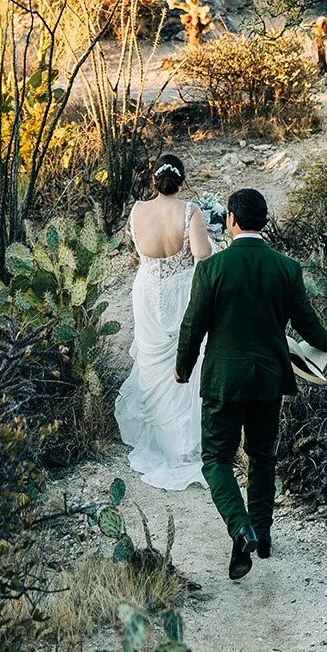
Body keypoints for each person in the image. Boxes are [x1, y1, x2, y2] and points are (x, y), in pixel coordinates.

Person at [175, 186, 327, 580]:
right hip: (268, 379)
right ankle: (261, 536)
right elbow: (308, 325)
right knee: (262, 456)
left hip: (223, 379)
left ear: (231, 220)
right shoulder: (286, 268)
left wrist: (183, 366)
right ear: (262, 221)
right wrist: (325, 345)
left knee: (216, 459)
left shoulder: (212, 269)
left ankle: (240, 526)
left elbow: (194, 325)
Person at [113, 153, 213, 490]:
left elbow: (136, 247)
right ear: (181, 181)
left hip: (146, 292)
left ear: (153, 181)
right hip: (180, 292)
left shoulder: (137, 211)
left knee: (153, 365)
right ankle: (183, 444)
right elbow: (202, 255)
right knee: (185, 363)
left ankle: (159, 436)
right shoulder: (189, 212)